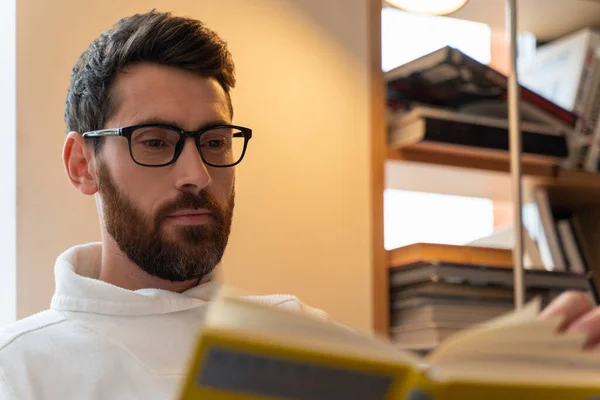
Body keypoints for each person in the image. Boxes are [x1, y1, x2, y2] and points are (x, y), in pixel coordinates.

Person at [0, 9, 598, 400]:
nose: (197, 174)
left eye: (213, 142)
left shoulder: (307, 344)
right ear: (83, 166)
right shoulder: (22, 369)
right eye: (155, 142)